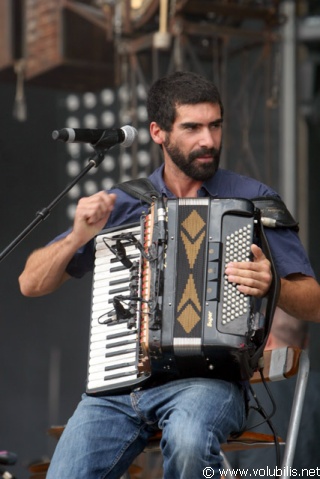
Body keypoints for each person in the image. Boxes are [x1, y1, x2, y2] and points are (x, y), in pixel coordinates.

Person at [18, 71, 320, 479]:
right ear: (158, 132)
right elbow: (30, 283)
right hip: (120, 387)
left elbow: (313, 302)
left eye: (215, 125)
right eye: (192, 128)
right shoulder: (124, 204)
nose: (208, 140)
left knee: (190, 442)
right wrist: (77, 236)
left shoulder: (253, 200)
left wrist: (274, 285)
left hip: (210, 382)